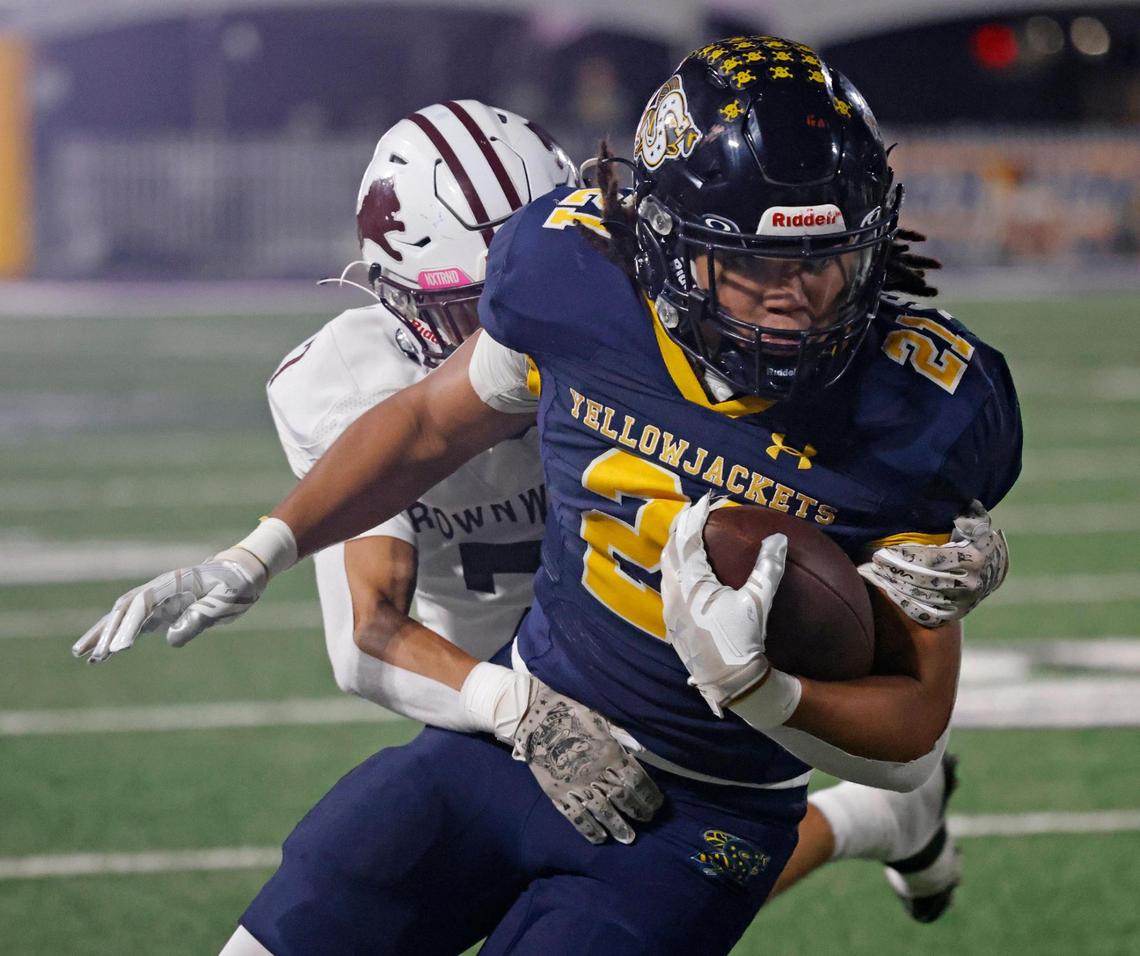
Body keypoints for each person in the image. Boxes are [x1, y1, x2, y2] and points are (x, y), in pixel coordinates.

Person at [74, 36, 1020, 955]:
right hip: (511, 728)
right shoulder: (577, 289)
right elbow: (426, 426)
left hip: (708, 804)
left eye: (824, 261)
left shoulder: (925, 411)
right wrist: (261, 550)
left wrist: (762, 691)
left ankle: (866, 822)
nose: (796, 300)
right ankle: (868, 825)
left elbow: (909, 736)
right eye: (755, 263)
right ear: (663, 241)